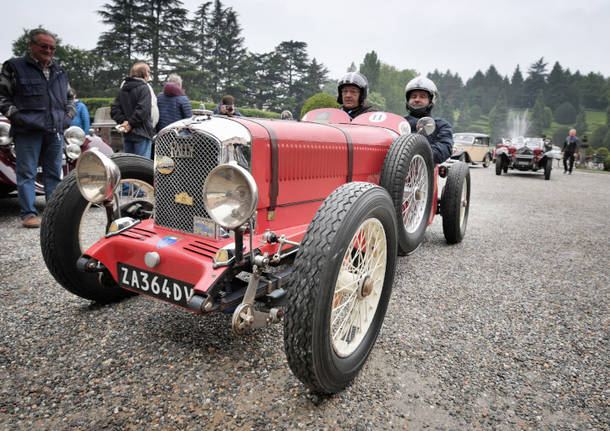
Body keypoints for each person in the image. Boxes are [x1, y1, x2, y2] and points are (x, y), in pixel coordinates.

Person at [0, 28, 75, 228]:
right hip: (27, 131)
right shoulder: (14, 67)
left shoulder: (60, 71)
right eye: (44, 46)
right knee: (26, 173)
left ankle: (53, 214)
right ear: (31, 45)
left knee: (54, 173)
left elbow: (70, 97)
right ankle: (28, 214)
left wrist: (68, 117)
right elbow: (2, 97)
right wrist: (17, 116)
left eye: (52, 48)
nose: (49, 51)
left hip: (55, 130)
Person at [403, 76, 453, 164]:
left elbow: (444, 148)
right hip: (395, 170)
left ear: (431, 100)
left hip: (424, 171)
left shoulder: (442, 125)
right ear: (408, 100)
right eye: (413, 96)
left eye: (422, 97)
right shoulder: (400, 122)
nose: (417, 99)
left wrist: (415, 155)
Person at [110, 62, 154, 159]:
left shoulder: (124, 89)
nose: (149, 75)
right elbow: (143, 110)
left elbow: (114, 109)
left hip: (127, 135)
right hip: (142, 134)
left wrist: (124, 122)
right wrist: (130, 124)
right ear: (144, 73)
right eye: (149, 72)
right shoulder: (144, 88)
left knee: (130, 167)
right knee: (142, 168)